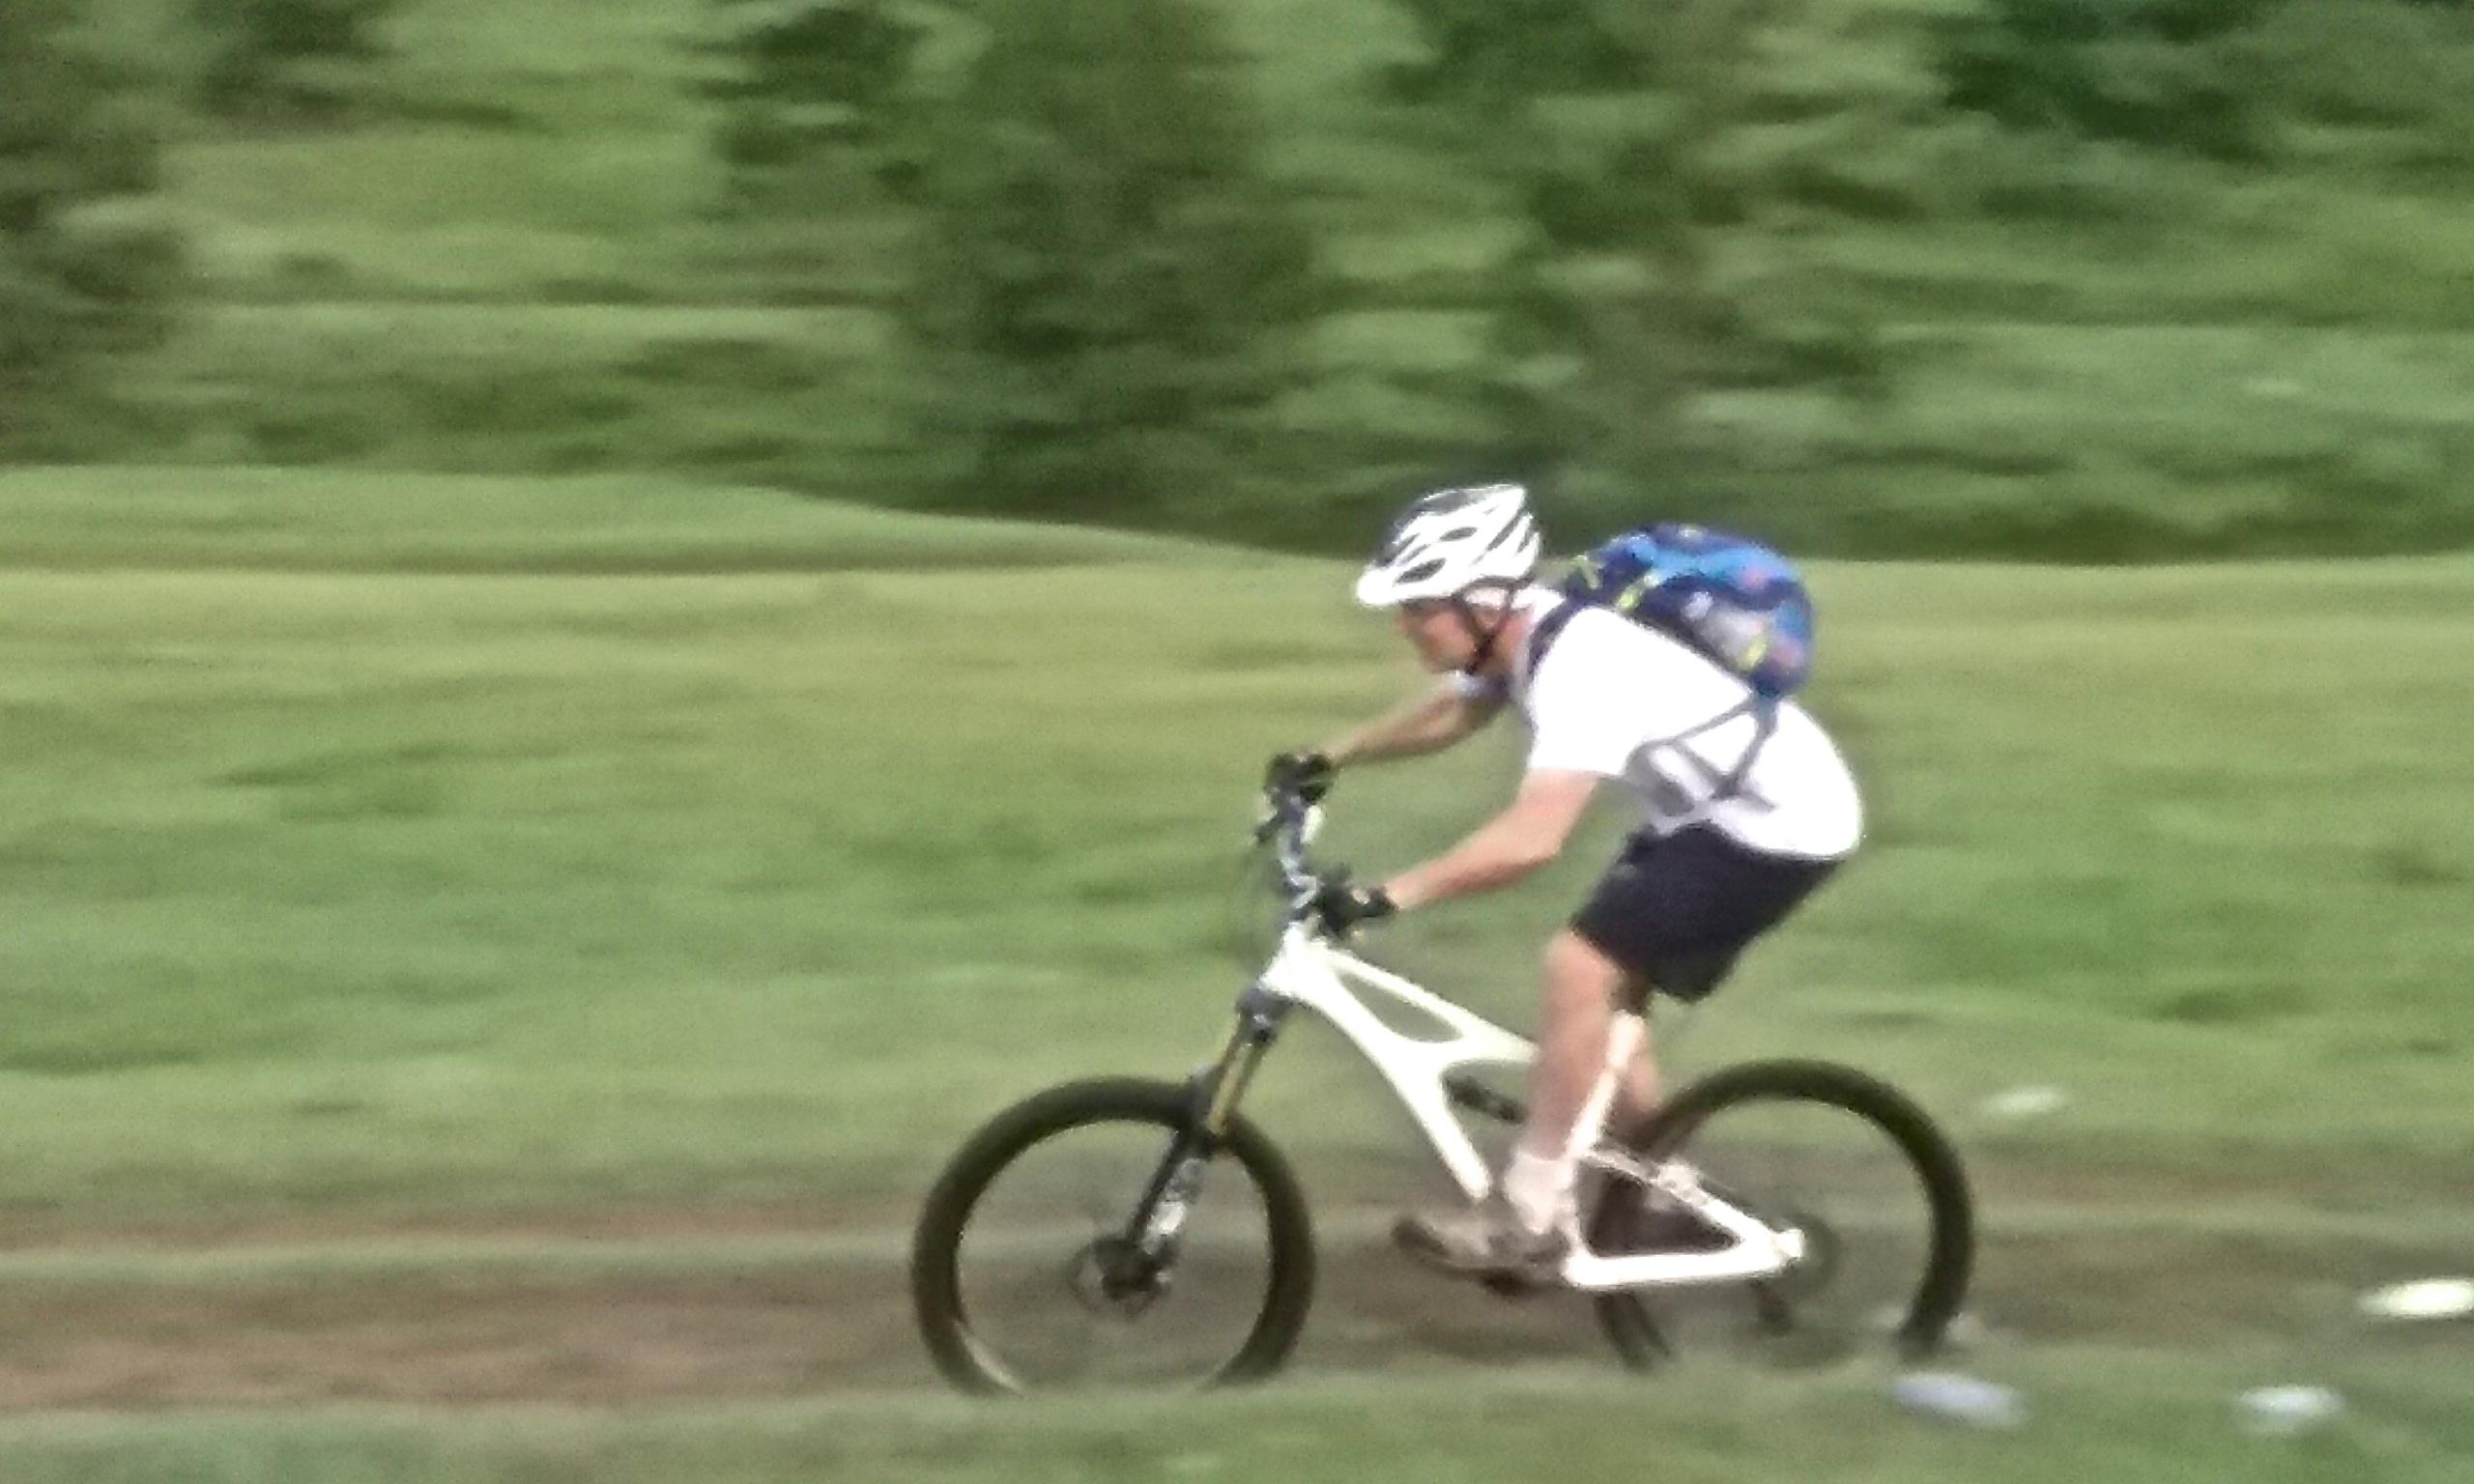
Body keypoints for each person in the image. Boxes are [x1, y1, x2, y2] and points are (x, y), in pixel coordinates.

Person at [1266, 483, 1861, 1281]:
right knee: (1612, 1007)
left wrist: (1388, 896)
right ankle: (1663, 1188)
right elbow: (1456, 713)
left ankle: (1527, 1216)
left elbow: (1532, 839)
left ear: (1482, 601)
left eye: (1419, 606)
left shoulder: (1586, 665)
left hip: (1776, 825)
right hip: (1701, 815)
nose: (1405, 623)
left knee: (1579, 967)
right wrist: (1328, 758)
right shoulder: (1526, 636)